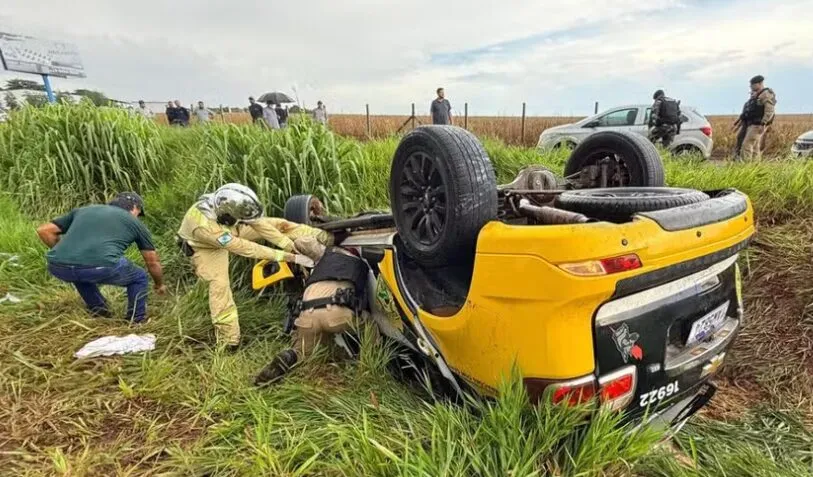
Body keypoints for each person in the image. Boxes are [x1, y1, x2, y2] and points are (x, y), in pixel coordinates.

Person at [176, 184, 334, 348]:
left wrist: (288, 244)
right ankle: (229, 341)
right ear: (228, 216)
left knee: (280, 225)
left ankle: (327, 236)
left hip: (231, 229)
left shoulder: (230, 203)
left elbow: (261, 225)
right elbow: (246, 248)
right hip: (207, 246)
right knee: (219, 287)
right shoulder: (203, 226)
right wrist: (291, 257)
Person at [36, 192, 166, 323]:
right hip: (102, 266)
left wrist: (65, 252)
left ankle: (100, 312)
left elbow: (44, 230)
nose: (138, 217)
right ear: (135, 208)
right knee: (139, 277)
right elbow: (152, 262)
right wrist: (159, 284)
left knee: (81, 273)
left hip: (58, 266)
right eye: (138, 214)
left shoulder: (84, 210)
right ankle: (136, 321)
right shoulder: (135, 223)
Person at [255, 237, 369, 386]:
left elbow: (302, 242)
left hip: (307, 315)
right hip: (335, 314)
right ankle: (368, 368)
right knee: (369, 324)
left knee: (303, 353)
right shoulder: (356, 263)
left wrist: (319, 237)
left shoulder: (323, 260)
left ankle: (288, 357)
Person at [740, 75, 776, 160]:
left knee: (746, 145)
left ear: (760, 83)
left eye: (753, 84)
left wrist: (763, 123)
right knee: (755, 147)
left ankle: (745, 167)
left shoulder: (766, 94)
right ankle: (756, 166)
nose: (751, 86)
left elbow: (769, 110)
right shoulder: (758, 95)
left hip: (758, 124)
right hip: (753, 124)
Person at [732, 90, 757, 160]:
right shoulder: (747, 104)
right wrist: (736, 125)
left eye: (753, 93)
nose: (752, 95)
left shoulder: (758, 103)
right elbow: (743, 115)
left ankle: (751, 159)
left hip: (754, 125)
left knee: (750, 143)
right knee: (740, 138)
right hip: (746, 124)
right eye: (751, 93)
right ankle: (737, 155)